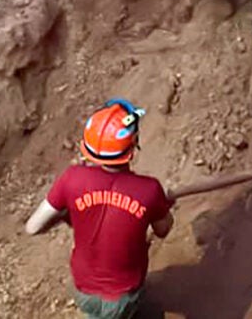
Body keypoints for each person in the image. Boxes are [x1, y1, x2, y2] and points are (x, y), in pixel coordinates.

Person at [25, 99, 174, 319]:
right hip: (123, 295)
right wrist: (163, 205)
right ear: (133, 146)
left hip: (83, 290)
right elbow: (163, 230)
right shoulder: (149, 190)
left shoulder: (71, 179)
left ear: (88, 149)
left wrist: (67, 214)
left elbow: (32, 227)